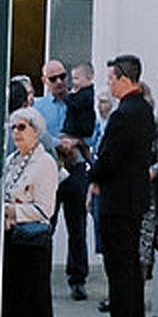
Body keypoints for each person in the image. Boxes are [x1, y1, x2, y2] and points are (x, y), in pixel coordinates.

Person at [86, 55, 158, 317]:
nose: (108, 85)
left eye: (110, 79)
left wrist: (92, 171)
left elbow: (110, 159)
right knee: (130, 269)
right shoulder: (143, 109)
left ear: (124, 79)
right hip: (135, 199)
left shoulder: (123, 114)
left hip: (118, 202)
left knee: (119, 272)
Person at [0, 107, 61, 317]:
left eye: (22, 127)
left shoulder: (45, 163)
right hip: (10, 242)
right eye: (13, 127)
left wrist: (13, 210)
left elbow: (44, 209)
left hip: (32, 244)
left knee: (32, 307)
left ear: (36, 131)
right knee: (8, 306)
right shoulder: (12, 160)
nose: (16, 133)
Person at [58, 61, 100, 299]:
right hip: (54, 165)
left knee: (77, 226)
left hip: (75, 167)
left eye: (67, 78)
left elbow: (92, 136)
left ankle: (77, 277)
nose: (62, 84)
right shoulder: (43, 107)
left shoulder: (84, 97)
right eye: (54, 79)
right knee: (47, 222)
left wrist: (78, 143)